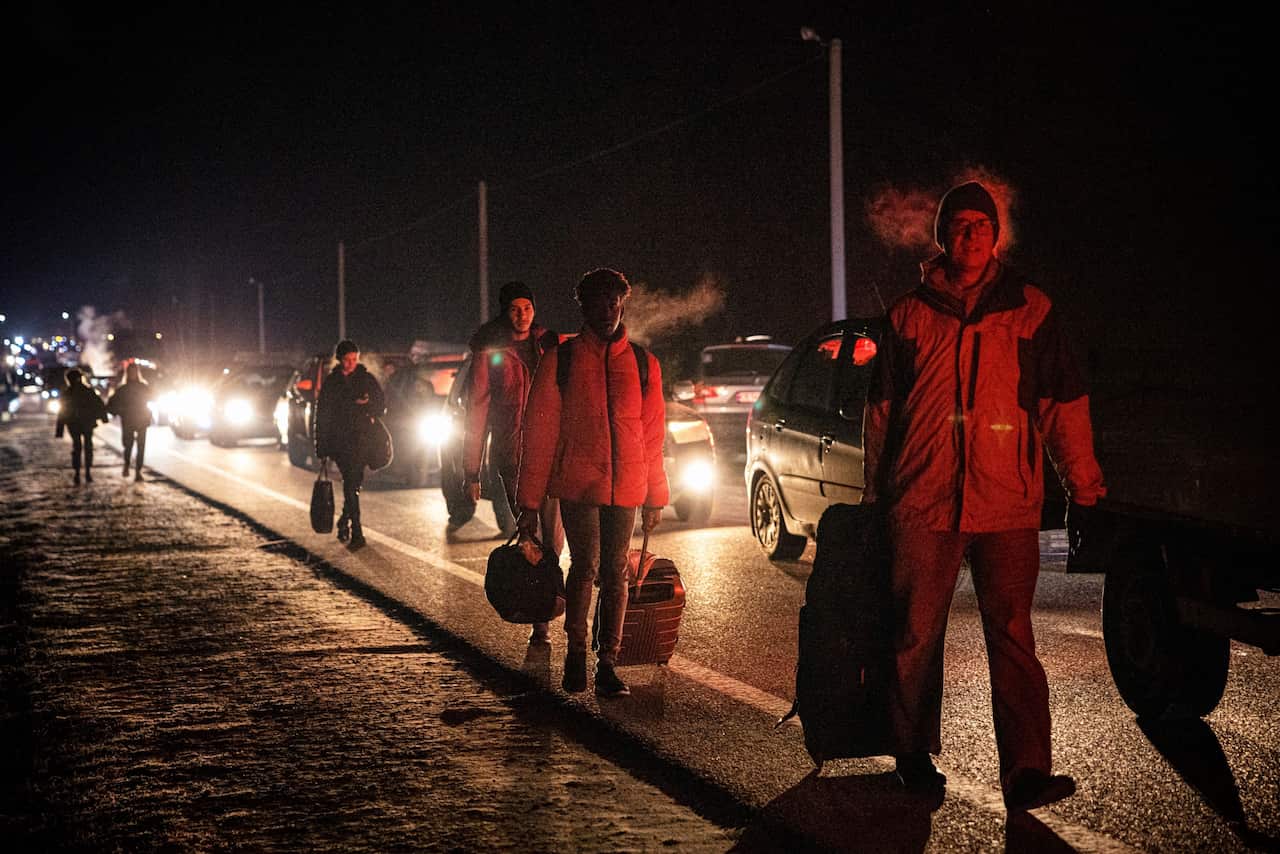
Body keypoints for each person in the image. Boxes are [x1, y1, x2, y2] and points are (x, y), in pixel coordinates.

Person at [861, 181, 1106, 811]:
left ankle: (1026, 771)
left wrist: (1084, 486)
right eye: (959, 225)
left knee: (1013, 635)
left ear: (996, 236)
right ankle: (911, 754)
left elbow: (1063, 406)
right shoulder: (908, 315)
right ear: (942, 236)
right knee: (915, 634)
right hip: (922, 500)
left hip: (1008, 503)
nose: (970, 236)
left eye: (981, 226)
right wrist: (875, 499)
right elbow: (882, 415)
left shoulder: (1031, 309)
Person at [516, 268, 668, 698]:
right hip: (579, 484)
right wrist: (529, 501)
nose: (609, 311)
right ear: (583, 306)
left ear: (623, 304)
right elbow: (539, 432)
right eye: (600, 303)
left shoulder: (643, 363)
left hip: (628, 486)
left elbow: (652, 436)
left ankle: (608, 662)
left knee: (616, 572)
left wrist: (656, 493)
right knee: (584, 567)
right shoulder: (561, 360)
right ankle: (576, 653)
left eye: (615, 302)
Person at [463, 280, 565, 646]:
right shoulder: (489, 349)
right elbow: (477, 410)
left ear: (534, 311)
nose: (521, 315)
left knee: (553, 536)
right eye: (514, 309)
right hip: (513, 456)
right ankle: (541, 618)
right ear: (504, 312)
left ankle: (549, 599)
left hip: (551, 451)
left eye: (527, 308)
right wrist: (471, 470)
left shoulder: (549, 344)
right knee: (530, 531)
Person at [314, 340, 386, 550]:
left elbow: (381, 405)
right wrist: (321, 446)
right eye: (347, 359)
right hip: (341, 443)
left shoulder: (366, 379)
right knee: (350, 482)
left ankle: (344, 520)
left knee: (354, 483)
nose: (350, 363)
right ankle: (357, 530)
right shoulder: (332, 383)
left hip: (363, 440)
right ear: (339, 359)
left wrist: (368, 406)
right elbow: (323, 415)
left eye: (354, 359)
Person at [54, 368, 109, 485]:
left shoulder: (67, 394)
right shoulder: (87, 391)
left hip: (74, 424)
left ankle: (78, 473)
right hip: (86, 423)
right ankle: (87, 472)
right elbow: (99, 404)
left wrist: (60, 430)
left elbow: (62, 413)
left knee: (77, 447)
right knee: (87, 446)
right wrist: (103, 418)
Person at [106, 362, 155, 481]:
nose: (132, 374)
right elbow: (112, 404)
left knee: (140, 446)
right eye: (130, 372)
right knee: (128, 445)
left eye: (134, 372)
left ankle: (138, 471)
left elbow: (153, 397)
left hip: (141, 419)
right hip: (128, 419)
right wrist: (118, 411)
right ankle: (127, 465)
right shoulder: (123, 389)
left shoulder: (142, 387)